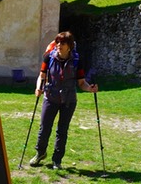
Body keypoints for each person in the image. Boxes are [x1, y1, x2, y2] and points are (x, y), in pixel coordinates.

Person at [30, 31, 97, 170]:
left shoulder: (77, 61)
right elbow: (42, 76)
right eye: (58, 42)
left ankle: (57, 160)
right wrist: (38, 88)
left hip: (69, 100)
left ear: (70, 46)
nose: (59, 45)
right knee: (44, 127)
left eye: (63, 43)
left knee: (62, 130)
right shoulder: (49, 57)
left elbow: (81, 83)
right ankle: (40, 153)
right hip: (50, 97)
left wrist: (90, 88)